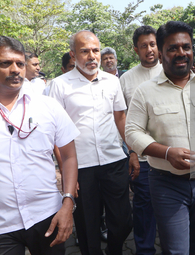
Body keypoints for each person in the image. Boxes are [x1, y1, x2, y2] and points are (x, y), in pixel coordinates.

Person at [125, 21, 195, 254]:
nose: (181, 53)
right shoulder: (145, 91)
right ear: (162, 53)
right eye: (173, 48)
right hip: (166, 183)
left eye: (186, 46)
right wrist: (166, 153)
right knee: (176, 250)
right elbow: (132, 132)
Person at [49, 30, 139, 255]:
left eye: (95, 50)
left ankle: (114, 250)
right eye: (84, 51)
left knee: (123, 220)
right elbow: (54, 133)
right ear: (73, 54)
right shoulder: (59, 86)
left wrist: (133, 152)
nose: (92, 56)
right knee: (88, 226)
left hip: (114, 160)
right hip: (81, 167)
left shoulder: (112, 81)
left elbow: (120, 118)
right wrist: (67, 174)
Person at [0, 36, 79, 254]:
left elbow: (70, 156)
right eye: (5, 63)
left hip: (48, 216)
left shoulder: (48, 106)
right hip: (3, 226)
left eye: (20, 64)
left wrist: (68, 203)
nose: (15, 69)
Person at [120, 25, 162, 255]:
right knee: (144, 207)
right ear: (136, 49)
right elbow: (122, 120)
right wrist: (132, 154)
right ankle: (145, 251)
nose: (149, 49)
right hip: (142, 160)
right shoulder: (126, 80)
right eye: (144, 45)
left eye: (153, 44)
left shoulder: (172, 71)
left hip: (171, 157)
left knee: (169, 209)